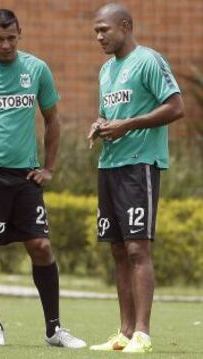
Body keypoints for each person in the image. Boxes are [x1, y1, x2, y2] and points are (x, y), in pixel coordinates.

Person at [0, 9, 86, 348]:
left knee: (41, 246)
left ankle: (54, 329)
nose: (5, 45)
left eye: (11, 37)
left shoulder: (36, 69)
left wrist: (49, 168)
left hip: (26, 176)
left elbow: (53, 120)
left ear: (20, 33)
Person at [88, 3, 184, 354]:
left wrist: (126, 125)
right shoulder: (105, 70)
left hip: (139, 165)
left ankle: (143, 333)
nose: (99, 36)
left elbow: (176, 107)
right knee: (116, 249)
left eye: (104, 30)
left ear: (125, 26)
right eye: (96, 31)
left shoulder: (149, 60)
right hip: (109, 166)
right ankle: (124, 332)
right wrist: (99, 125)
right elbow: (109, 113)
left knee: (136, 248)